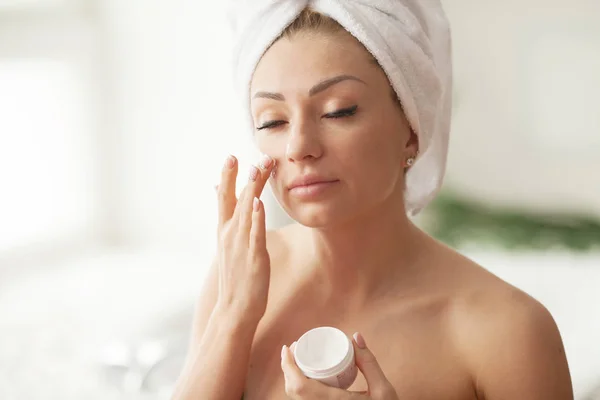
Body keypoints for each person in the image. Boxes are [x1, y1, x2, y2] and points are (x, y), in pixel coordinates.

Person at [172, 2, 573, 399]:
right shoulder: (241, 276)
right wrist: (232, 316)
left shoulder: (508, 332)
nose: (299, 146)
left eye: (338, 111)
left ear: (411, 131)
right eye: (272, 121)